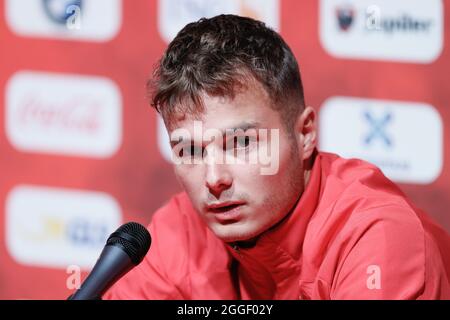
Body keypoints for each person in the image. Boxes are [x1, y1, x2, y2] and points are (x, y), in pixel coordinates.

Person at [104, 14, 450, 299]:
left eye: (241, 143)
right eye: (190, 151)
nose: (214, 178)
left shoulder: (378, 238)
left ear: (305, 134)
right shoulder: (178, 231)